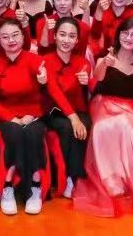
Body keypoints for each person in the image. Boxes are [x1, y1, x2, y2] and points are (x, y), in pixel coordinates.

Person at [72, 16, 133, 216]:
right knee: (107, 126)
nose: (128, 38)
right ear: (119, 35)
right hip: (103, 102)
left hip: (129, 105)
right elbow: (96, 79)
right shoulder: (106, 56)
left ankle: (129, 180)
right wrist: (104, 64)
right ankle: (111, 181)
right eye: (125, 33)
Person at [0, 17, 50, 215]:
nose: (11, 40)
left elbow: (48, 96)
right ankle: (8, 186)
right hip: (6, 116)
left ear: (23, 36)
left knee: (33, 133)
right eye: (5, 37)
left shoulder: (35, 60)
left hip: (33, 115)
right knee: (14, 133)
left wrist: (43, 83)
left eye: (15, 35)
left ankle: (35, 187)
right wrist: (12, 119)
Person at [40, 17, 92, 199]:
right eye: (62, 34)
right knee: (67, 127)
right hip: (53, 111)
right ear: (54, 36)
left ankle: (74, 176)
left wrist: (87, 82)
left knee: (84, 125)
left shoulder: (83, 63)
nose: (66, 40)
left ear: (77, 40)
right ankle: (63, 176)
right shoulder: (44, 61)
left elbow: (90, 88)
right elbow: (54, 91)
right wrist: (73, 117)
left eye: (71, 36)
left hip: (78, 110)